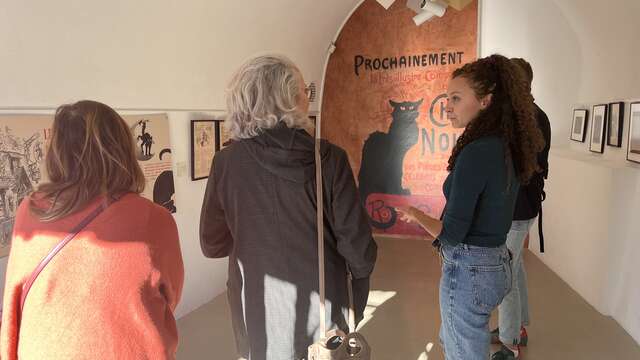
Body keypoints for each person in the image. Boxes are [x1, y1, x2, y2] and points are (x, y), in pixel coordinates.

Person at [200, 54, 377, 360]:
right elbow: (358, 249)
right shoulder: (328, 159)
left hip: (256, 308)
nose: (306, 98)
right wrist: (358, 289)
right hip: (324, 307)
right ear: (289, 99)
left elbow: (212, 244)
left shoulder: (226, 162)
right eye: (303, 91)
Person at [0, 100, 184, 359]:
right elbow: (171, 295)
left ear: (57, 151)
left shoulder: (30, 212)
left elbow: (13, 301)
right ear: (121, 150)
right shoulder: (153, 218)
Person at [397, 54, 545, 360]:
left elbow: (450, 234)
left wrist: (415, 214)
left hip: (470, 270)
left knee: (463, 352)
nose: (447, 106)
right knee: (456, 338)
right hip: (496, 262)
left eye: (455, 97)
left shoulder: (477, 152)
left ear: (485, 101)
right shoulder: (506, 146)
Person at [489, 58, 552, 360]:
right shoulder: (533, 116)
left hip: (517, 209)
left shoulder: (527, 119)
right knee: (515, 268)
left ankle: (509, 343)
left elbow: (517, 167)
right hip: (522, 207)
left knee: (506, 274)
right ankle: (517, 329)